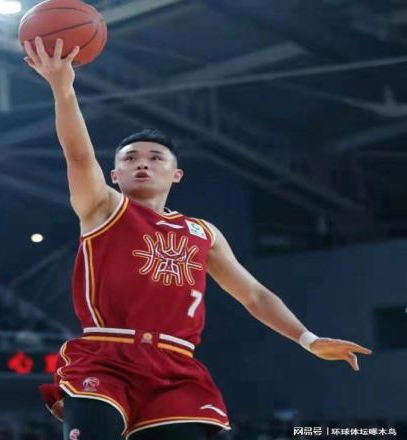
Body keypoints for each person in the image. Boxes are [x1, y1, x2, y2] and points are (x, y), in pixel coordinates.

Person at [23, 38, 372, 440]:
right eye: (130, 158)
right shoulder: (102, 207)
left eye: (155, 158)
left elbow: (254, 295)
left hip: (177, 368)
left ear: (176, 175)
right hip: (108, 357)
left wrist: (308, 340)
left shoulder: (203, 232)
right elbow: (79, 157)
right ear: (114, 175)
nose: (142, 163)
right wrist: (63, 89)